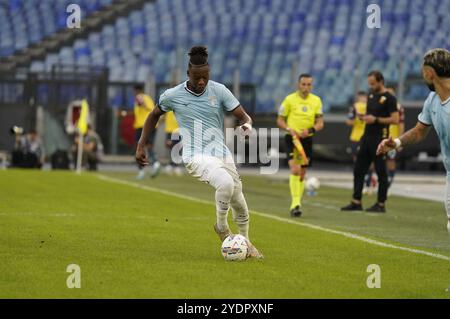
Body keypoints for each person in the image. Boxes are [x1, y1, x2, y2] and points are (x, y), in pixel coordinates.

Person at [136, 46, 263, 258]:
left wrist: (246, 126)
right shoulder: (172, 95)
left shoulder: (220, 90)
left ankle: (246, 243)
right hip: (195, 155)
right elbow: (153, 115)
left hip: (221, 153)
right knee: (225, 184)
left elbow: (244, 117)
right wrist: (141, 144)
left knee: (239, 201)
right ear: (188, 74)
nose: (201, 81)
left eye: (205, 76)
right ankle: (222, 228)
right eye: (197, 77)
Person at [377, 48, 450, 233]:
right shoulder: (433, 99)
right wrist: (397, 143)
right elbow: (419, 131)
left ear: (429, 73)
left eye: (423, 70)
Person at [341, 70, 399, 213]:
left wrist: (376, 120)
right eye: (369, 84)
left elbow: (395, 119)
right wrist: (365, 117)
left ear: (381, 81)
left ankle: (380, 203)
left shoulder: (390, 98)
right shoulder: (371, 95)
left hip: (380, 139)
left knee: (381, 171)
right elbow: (371, 115)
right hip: (366, 138)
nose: (371, 86)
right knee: (358, 169)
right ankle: (356, 201)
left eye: (373, 83)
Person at [276, 74, 324, 217]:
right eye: (303, 84)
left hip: (307, 140)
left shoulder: (316, 101)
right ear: (298, 84)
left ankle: (297, 203)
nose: (306, 87)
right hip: (292, 138)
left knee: (302, 173)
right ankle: (295, 204)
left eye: (309, 84)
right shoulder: (289, 99)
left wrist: (310, 130)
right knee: (295, 169)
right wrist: (289, 129)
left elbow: (320, 123)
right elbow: (280, 120)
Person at [133, 84, 160, 179]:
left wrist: (140, 101)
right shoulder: (147, 98)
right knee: (148, 147)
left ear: (137, 91)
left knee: (139, 148)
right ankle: (155, 163)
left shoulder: (141, 97)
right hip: (149, 125)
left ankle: (141, 171)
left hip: (143, 126)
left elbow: (144, 106)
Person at [385, 87, 405, 190]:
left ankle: (388, 184)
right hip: (380, 137)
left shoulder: (398, 107)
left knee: (391, 161)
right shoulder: (381, 104)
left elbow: (401, 125)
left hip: (392, 139)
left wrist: (400, 140)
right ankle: (370, 182)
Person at [163, 110, 183, 176]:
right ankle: (173, 166)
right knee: (172, 148)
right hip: (170, 130)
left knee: (178, 149)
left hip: (178, 130)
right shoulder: (168, 107)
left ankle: (173, 166)